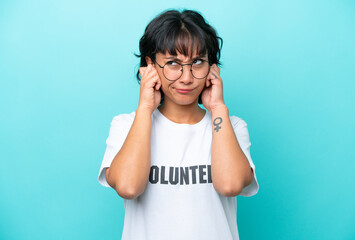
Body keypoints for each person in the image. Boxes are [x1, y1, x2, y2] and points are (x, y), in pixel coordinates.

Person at [98, 9, 259, 240]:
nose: (186, 77)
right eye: (173, 63)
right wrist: (145, 109)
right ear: (151, 66)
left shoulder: (230, 126)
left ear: (212, 68)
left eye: (197, 62)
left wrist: (217, 109)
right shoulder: (125, 126)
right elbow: (128, 187)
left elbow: (230, 185)